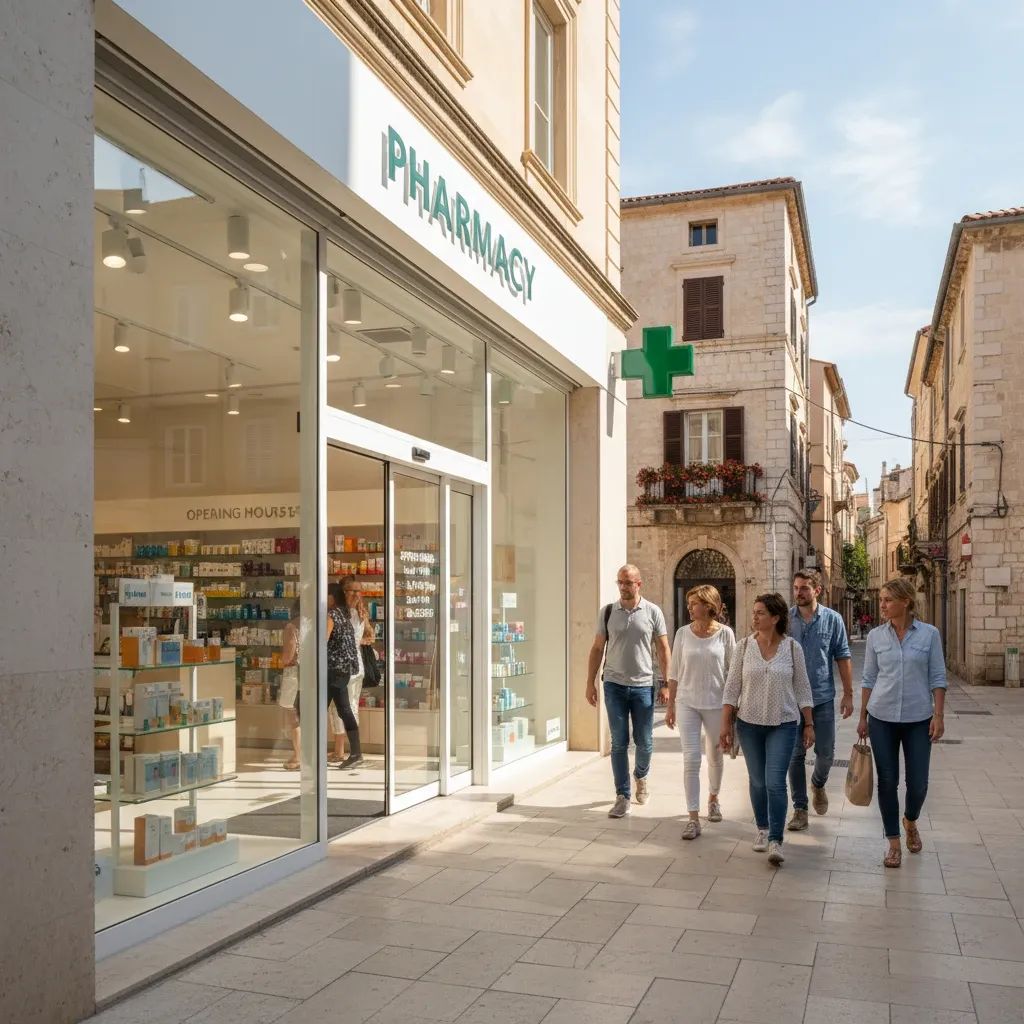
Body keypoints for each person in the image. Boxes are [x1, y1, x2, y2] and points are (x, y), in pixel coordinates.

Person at [720, 592, 813, 866]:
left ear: (775, 618)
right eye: (754, 612)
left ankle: (776, 839)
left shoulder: (793, 648)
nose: (755, 616)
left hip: (783, 724)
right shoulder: (744, 647)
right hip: (749, 724)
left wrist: (809, 723)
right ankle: (761, 827)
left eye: (760, 612)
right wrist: (726, 723)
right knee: (757, 781)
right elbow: (732, 687)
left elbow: (803, 688)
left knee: (774, 782)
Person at [858, 577, 946, 868]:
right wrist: (862, 716)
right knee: (887, 781)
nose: (882, 605)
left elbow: (937, 677)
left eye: (887, 600)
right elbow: (869, 678)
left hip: (919, 717)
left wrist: (939, 714)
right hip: (881, 717)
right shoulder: (875, 637)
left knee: (918, 784)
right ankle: (893, 842)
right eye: (881, 600)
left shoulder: (929, 635)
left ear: (906, 602)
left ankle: (910, 820)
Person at [586, 564, 670, 818]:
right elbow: (597, 648)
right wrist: (589, 682)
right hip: (614, 684)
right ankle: (622, 795)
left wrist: (667, 683)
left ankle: (641, 776)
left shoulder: (653, 612)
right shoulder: (608, 612)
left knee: (644, 742)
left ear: (639, 584)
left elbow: (664, 649)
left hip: (644, 685)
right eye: (620, 582)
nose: (623, 587)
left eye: (628, 582)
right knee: (619, 741)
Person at [665, 585, 736, 839]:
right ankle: (693, 817)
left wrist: (732, 708)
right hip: (687, 702)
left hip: (717, 703)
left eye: (694, 603)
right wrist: (671, 704)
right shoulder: (683, 634)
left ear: (709, 605)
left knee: (716, 756)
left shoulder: (726, 634)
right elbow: (674, 672)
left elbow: (733, 673)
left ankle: (713, 798)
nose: (689, 608)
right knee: (691, 759)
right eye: (689, 603)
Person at [786, 570, 854, 831]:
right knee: (795, 755)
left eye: (804, 588)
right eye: (796, 588)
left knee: (825, 754)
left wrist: (848, 694)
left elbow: (843, 656)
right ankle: (800, 809)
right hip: (791, 699)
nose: (799, 593)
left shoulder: (833, 620)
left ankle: (818, 783)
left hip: (822, 697)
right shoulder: (786, 620)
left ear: (818, 591)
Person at [326, 581, 363, 770]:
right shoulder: (344, 615)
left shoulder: (332, 615)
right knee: (344, 710)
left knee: (311, 710)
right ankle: (356, 753)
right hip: (344, 670)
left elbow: (322, 640)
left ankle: (308, 752)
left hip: (331, 670)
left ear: (332, 597)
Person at [279, 599, 302, 771]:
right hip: (312, 674)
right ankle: (309, 753)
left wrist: (282, 660)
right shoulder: (316, 625)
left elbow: (288, 656)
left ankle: (297, 755)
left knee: (293, 716)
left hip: (294, 675)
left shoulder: (292, 627)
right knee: (308, 716)